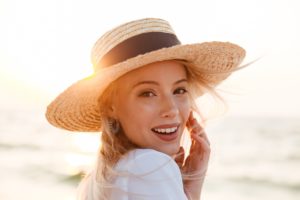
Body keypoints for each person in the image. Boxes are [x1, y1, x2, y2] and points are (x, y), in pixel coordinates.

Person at [46, 18, 246, 200]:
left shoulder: (101, 179)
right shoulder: (149, 167)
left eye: (179, 90)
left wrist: (190, 192)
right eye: (148, 93)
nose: (172, 110)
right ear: (110, 107)